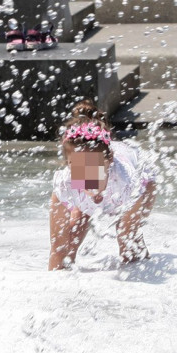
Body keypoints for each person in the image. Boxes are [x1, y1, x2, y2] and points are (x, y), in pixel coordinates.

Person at [48, 100, 156, 270]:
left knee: (127, 237)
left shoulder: (126, 180)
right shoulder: (64, 184)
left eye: (93, 167)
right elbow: (56, 251)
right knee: (69, 239)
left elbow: (135, 195)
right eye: (78, 167)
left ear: (109, 160)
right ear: (69, 164)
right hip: (102, 188)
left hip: (142, 184)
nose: (87, 177)